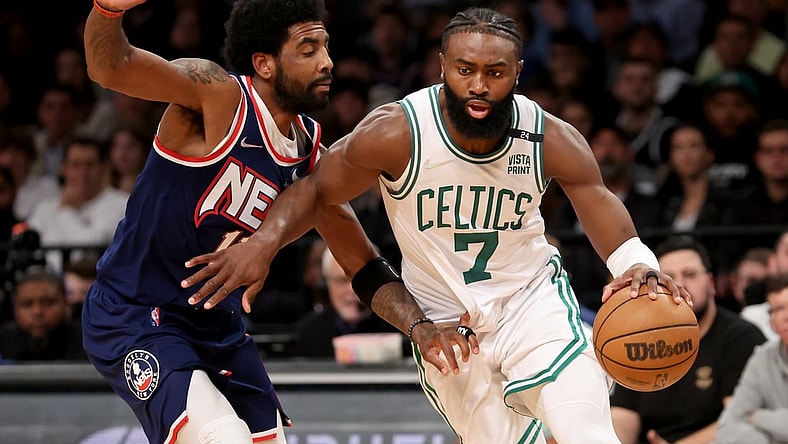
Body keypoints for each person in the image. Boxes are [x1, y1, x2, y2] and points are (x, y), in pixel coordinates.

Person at [182, 8, 693, 444]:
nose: (478, 85)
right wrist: (264, 244)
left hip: (532, 303)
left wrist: (637, 264)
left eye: (495, 72)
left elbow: (600, 204)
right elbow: (316, 190)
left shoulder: (548, 137)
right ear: (442, 66)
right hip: (445, 326)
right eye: (465, 69)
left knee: (588, 432)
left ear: (517, 72)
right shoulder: (397, 132)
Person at [81, 1, 473, 444]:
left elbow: (361, 263)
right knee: (222, 435)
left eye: (326, 47)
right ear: (265, 64)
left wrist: (419, 328)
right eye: (308, 49)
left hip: (214, 326)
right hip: (135, 310)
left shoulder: (308, 158)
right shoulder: (217, 95)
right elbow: (112, 67)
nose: (327, 62)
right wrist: (107, 9)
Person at [610, 235, 766, 444]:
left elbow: (742, 420)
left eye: (690, 274)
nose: (680, 284)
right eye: (669, 277)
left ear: (710, 283)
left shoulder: (740, 337)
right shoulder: (640, 337)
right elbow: (622, 415)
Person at [715, 272, 788, 444]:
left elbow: (745, 416)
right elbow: (727, 426)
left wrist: (757, 417)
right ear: (771, 322)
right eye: (778, 309)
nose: (787, 316)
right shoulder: (762, 358)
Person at [292, 245, 399, 358]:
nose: (352, 290)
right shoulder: (309, 332)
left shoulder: (399, 328)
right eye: (342, 281)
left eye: (362, 280)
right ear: (326, 282)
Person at [0, 266, 86, 362]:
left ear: (66, 304)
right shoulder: (3, 340)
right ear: (14, 308)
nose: (38, 312)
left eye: (48, 303)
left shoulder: (87, 341)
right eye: (27, 304)